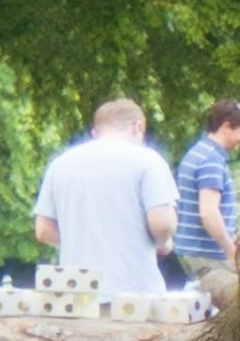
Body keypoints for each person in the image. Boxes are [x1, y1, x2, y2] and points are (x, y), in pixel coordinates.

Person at [31, 99, 176, 299]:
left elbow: (44, 230)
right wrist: (163, 242)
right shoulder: (148, 161)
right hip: (135, 293)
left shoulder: (60, 164)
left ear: (96, 132)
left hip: (77, 293)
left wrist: (86, 240)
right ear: (138, 127)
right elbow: (162, 225)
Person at [176, 100, 240, 282]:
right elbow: (209, 213)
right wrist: (232, 252)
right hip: (207, 255)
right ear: (227, 127)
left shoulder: (198, 152)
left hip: (193, 251)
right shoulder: (211, 160)